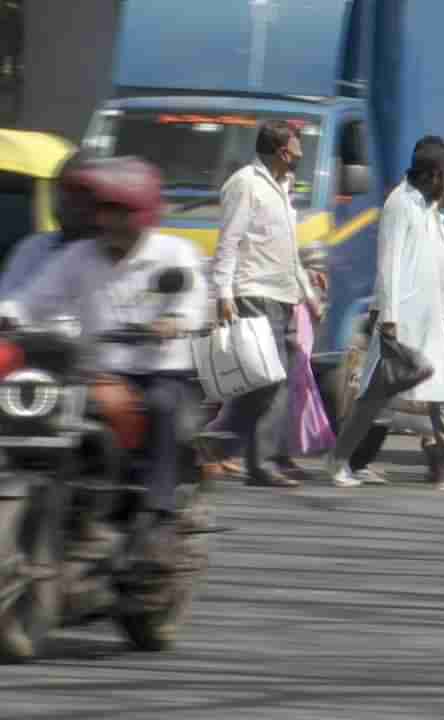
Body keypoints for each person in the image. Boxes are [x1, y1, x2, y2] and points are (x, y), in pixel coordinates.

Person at [0, 156, 208, 567]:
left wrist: (175, 320)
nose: (110, 223)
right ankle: (75, 501)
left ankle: (157, 513)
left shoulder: (175, 254)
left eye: (122, 213)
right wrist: (9, 315)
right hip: (95, 370)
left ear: (144, 214)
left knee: (164, 407)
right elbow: (33, 298)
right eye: (105, 212)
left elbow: (194, 299)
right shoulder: (78, 256)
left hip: (157, 370)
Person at [326, 138, 444, 491]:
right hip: (400, 319)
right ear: (432, 175)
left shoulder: (427, 208)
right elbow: (389, 262)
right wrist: (388, 317)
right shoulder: (400, 204)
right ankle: (338, 461)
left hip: (429, 319)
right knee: (373, 398)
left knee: (443, 393)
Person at [213, 120, 320, 488]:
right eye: (296, 149)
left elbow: (289, 250)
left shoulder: (283, 186)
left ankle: (249, 457)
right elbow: (228, 242)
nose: (301, 156)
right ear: (280, 152)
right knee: (267, 378)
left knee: (276, 380)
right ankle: (235, 449)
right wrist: (223, 293)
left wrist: (307, 293)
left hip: (283, 294)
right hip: (253, 291)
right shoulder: (245, 184)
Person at [0, 151, 95, 299]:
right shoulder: (33, 248)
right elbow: (7, 304)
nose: (65, 199)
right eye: (62, 188)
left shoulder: (108, 257)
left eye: (80, 190)